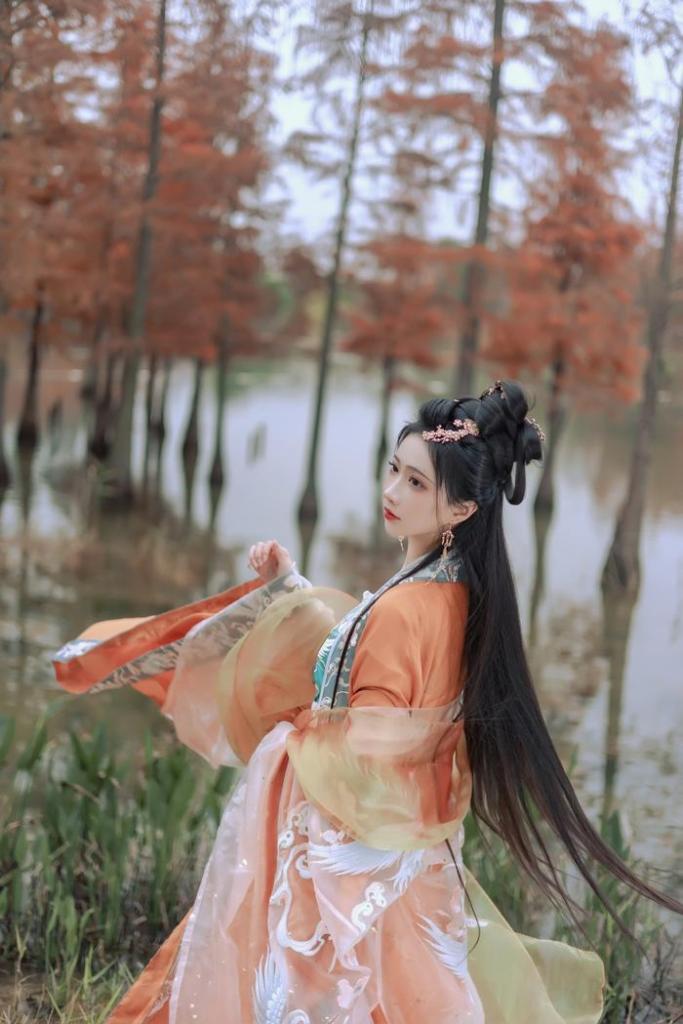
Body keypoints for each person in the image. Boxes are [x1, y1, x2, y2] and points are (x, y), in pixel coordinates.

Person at [51, 380, 682, 1024]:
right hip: (395, 839)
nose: (392, 492)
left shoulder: (407, 608)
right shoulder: (455, 592)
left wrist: (297, 738)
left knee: (304, 982)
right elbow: (364, 678)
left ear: (461, 509)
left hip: (340, 837)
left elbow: (371, 737)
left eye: (416, 483)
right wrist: (288, 586)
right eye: (394, 470)